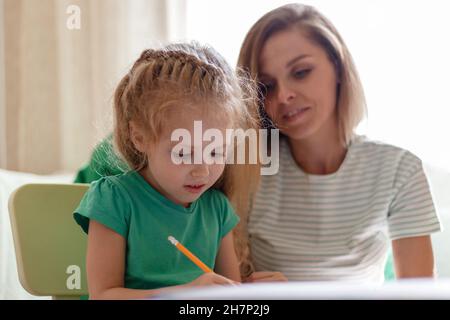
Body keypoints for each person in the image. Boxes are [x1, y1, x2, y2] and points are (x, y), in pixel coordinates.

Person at [237, 3, 441, 282]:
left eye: (301, 72)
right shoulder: (248, 169)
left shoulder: (399, 170)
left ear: (338, 66)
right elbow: (226, 287)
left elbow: (417, 293)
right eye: (267, 86)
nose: (283, 95)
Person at [73, 42, 262, 299]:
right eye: (184, 152)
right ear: (139, 137)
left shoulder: (216, 209)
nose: (202, 170)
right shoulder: (114, 199)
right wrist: (183, 294)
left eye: (216, 151)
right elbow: (104, 295)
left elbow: (229, 295)